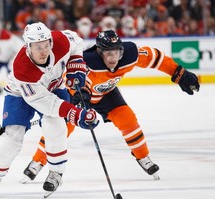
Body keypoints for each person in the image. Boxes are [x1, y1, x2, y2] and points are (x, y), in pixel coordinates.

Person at [20, 29, 200, 183]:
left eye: (116, 52)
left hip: (107, 95)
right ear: (99, 52)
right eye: (108, 53)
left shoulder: (130, 54)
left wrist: (179, 73)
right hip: (81, 95)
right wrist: (80, 95)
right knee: (60, 129)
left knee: (128, 120)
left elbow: (156, 58)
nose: (114, 58)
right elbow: (78, 80)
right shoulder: (87, 60)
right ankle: (37, 162)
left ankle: (143, 157)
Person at [0, 22, 99, 198]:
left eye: (46, 45)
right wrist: (74, 113)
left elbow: (76, 40)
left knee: (55, 124)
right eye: (38, 47)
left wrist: (76, 62)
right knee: (12, 137)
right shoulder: (22, 68)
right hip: (19, 93)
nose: (44, 50)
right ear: (28, 46)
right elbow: (46, 103)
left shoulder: (59, 40)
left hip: (54, 87)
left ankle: (56, 172)